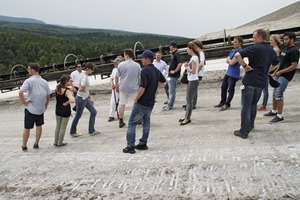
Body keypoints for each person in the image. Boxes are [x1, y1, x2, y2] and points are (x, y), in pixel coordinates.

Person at [234, 29, 279, 139]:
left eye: (254, 37)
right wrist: (266, 70)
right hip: (261, 81)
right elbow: (276, 64)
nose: (253, 39)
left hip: (250, 80)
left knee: (246, 106)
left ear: (260, 38)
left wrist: (244, 66)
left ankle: (244, 131)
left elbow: (237, 55)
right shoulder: (271, 50)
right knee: (253, 104)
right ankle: (250, 125)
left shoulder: (255, 48)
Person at [123, 50, 166, 154]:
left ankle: (130, 146)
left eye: (142, 58)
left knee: (132, 123)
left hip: (142, 101)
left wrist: (136, 98)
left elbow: (142, 88)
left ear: (147, 59)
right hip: (151, 102)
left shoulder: (144, 71)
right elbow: (163, 81)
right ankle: (143, 143)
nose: (141, 59)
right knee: (146, 123)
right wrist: (154, 87)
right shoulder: (156, 70)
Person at [264, 32, 300, 123]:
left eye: (286, 39)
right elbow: (281, 62)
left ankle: (279, 116)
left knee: (279, 94)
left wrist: (281, 72)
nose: (284, 41)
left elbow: (294, 66)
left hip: (285, 76)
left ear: (292, 39)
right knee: (275, 93)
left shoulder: (294, 50)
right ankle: (274, 111)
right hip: (279, 74)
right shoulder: (285, 49)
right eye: (284, 39)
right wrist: (275, 72)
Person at [19, 63, 51, 151]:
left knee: (27, 127)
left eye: (29, 69)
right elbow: (48, 95)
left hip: (31, 107)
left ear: (33, 70)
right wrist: (46, 104)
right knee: (39, 125)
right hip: (41, 107)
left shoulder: (29, 81)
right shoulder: (44, 81)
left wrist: (24, 102)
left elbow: (20, 92)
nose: (28, 71)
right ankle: (36, 143)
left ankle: (24, 145)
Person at [70, 62, 100, 137]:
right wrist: (81, 90)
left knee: (93, 112)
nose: (92, 71)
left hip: (85, 98)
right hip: (81, 98)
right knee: (78, 115)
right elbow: (83, 86)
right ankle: (73, 131)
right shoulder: (84, 76)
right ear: (87, 69)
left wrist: (88, 96)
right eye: (91, 69)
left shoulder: (84, 74)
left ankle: (91, 130)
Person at [214, 36, 243, 111]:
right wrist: (230, 61)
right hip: (228, 72)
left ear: (240, 43)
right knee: (223, 87)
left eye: (236, 42)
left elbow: (232, 62)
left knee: (230, 89)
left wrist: (229, 61)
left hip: (234, 74)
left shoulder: (240, 52)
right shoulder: (233, 50)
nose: (234, 43)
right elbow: (227, 60)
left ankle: (227, 104)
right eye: (234, 41)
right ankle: (222, 101)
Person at [115, 49, 141, 128]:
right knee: (137, 103)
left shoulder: (121, 65)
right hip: (133, 87)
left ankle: (121, 120)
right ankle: (138, 119)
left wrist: (117, 86)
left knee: (122, 104)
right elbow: (139, 78)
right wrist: (139, 86)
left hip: (123, 87)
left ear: (126, 55)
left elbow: (116, 77)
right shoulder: (137, 65)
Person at [257, 34, 282, 111]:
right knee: (264, 89)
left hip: (269, 71)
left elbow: (276, 62)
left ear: (275, 41)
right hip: (269, 70)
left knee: (264, 89)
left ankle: (264, 105)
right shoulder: (274, 49)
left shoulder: (275, 50)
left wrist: (270, 71)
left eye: (271, 40)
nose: (270, 41)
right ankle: (264, 104)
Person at [178, 42, 199, 126]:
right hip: (192, 80)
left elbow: (193, 71)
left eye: (188, 49)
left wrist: (186, 67)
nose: (187, 50)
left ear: (191, 49)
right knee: (188, 99)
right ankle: (186, 116)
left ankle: (187, 118)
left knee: (189, 100)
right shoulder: (194, 58)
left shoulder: (194, 58)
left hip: (193, 80)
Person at [182, 40, 205, 110]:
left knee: (194, 90)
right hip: (195, 74)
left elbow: (201, 63)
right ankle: (190, 103)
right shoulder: (197, 54)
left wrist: (196, 71)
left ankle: (192, 104)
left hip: (197, 74)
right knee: (192, 90)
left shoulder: (200, 53)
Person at [54, 74, 75, 147]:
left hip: (58, 109)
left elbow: (61, 84)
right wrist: (67, 102)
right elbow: (72, 100)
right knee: (63, 127)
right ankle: (60, 142)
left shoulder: (57, 88)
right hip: (65, 110)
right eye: (69, 80)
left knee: (58, 126)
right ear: (66, 81)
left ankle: (55, 141)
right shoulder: (67, 91)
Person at [163, 40, 182, 110]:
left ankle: (170, 105)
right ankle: (169, 102)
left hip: (173, 76)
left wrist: (175, 71)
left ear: (172, 46)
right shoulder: (174, 54)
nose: (169, 47)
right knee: (167, 87)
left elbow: (180, 63)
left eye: (169, 46)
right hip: (170, 75)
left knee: (172, 90)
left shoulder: (177, 53)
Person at [108, 56, 124, 122]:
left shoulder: (122, 70)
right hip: (114, 88)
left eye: (115, 63)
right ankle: (111, 115)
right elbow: (111, 78)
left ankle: (120, 115)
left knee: (121, 102)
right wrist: (112, 84)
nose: (114, 64)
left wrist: (118, 85)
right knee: (113, 102)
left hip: (121, 88)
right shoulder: (114, 70)